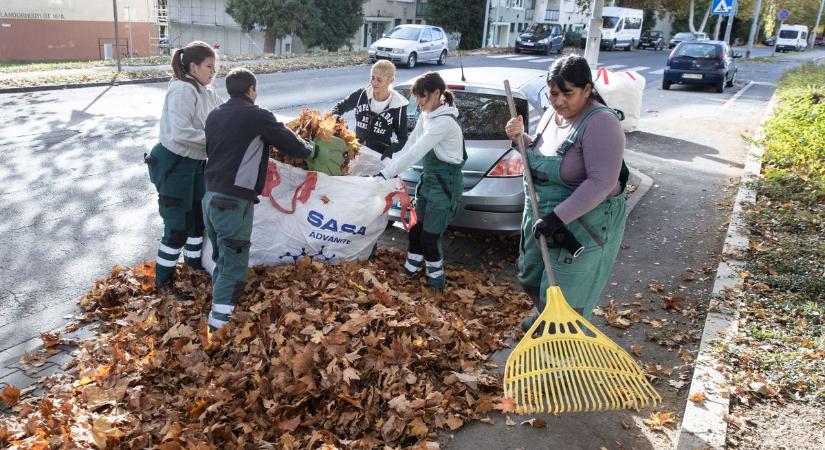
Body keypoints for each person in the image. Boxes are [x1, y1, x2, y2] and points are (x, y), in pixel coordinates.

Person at [504, 55, 628, 331]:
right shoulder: (552, 115)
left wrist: (558, 218)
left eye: (567, 94)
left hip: (583, 224)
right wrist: (519, 139)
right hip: (542, 216)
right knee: (531, 276)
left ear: (587, 90)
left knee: (567, 297)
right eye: (553, 93)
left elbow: (602, 182)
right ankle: (544, 318)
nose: (558, 101)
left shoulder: (601, 123)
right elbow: (538, 154)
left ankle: (560, 360)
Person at [203, 68, 314, 331]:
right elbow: (292, 145)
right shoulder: (257, 115)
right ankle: (219, 327)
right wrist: (311, 148)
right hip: (233, 202)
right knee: (234, 262)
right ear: (252, 90)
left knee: (222, 256)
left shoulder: (214, 115)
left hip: (209, 197)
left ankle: (218, 307)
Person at [144, 41, 222, 293]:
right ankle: (163, 281)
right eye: (209, 66)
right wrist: (217, 141)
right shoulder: (182, 90)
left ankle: (192, 264)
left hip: (196, 163)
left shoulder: (206, 91)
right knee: (176, 228)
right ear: (193, 66)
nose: (213, 71)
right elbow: (180, 132)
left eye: (215, 66)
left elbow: (224, 114)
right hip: (174, 164)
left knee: (197, 221)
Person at [378, 72, 466, 289]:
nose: (418, 102)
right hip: (428, 182)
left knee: (430, 236)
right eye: (416, 97)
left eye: (422, 97)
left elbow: (417, 152)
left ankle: (436, 279)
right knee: (417, 229)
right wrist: (390, 168)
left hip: (446, 185)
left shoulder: (444, 122)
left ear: (437, 93)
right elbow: (409, 145)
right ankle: (412, 267)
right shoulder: (427, 116)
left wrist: (386, 174)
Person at [330, 60, 409, 159]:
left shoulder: (398, 105)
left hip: (379, 156)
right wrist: (334, 117)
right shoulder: (362, 94)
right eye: (372, 78)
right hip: (356, 151)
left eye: (379, 80)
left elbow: (402, 139)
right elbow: (339, 107)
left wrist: (391, 149)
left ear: (391, 81)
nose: (374, 83)